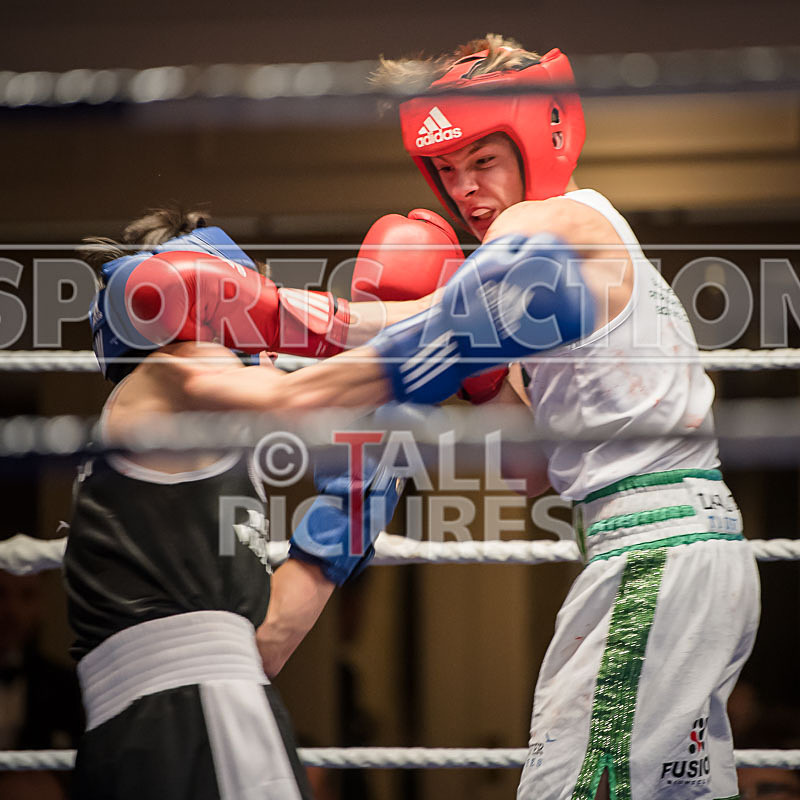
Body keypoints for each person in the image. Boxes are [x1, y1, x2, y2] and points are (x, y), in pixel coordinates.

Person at [169, 35, 761, 800]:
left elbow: (424, 330)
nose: (467, 191)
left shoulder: (551, 223)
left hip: (656, 559)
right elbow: (538, 471)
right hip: (674, 548)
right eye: (449, 172)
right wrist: (480, 385)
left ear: (540, 138)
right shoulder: (574, 261)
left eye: (483, 162)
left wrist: (279, 322)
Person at [64, 208, 400, 800]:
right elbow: (302, 394)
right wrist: (455, 330)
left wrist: (351, 509)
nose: (268, 339)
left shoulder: (172, 443)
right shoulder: (176, 368)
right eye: (252, 310)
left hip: (148, 721)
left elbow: (261, 645)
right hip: (199, 712)